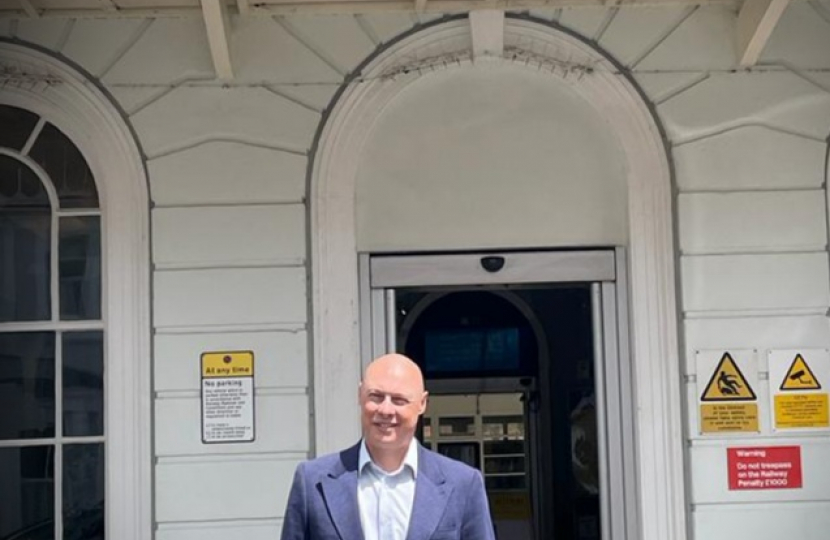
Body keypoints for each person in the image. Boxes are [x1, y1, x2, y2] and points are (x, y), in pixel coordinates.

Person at [280, 353, 496, 540]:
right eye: (376, 396)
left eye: (399, 400)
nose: (385, 409)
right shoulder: (312, 482)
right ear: (359, 395)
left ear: (422, 403)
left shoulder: (463, 485)